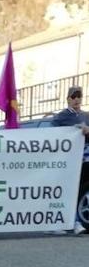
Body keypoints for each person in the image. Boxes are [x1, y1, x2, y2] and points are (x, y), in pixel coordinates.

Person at [50, 85, 89, 235]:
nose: (77, 99)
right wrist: (71, 131)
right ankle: (59, 221)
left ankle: (75, 221)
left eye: (79, 96)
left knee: (76, 191)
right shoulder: (61, 116)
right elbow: (52, 134)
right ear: (68, 99)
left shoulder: (86, 116)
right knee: (63, 191)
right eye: (74, 96)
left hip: (84, 160)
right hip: (66, 161)